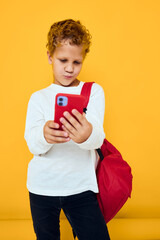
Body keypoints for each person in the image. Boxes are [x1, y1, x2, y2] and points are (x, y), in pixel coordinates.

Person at [24, 19, 111, 240]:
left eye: (77, 62)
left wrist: (87, 135)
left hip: (81, 187)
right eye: (63, 60)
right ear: (50, 56)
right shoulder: (38, 98)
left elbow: (98, 138)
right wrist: (44, 136)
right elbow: (32, 144)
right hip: (41, 187)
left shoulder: (93, 92)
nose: (70, 68)